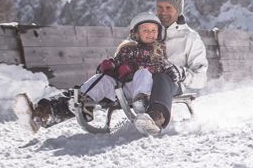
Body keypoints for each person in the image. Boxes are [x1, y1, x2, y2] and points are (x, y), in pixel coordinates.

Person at [19, 12, 176, 134]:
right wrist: (110, 66)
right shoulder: (127, 48)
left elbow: (164, 68)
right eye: (145, 30)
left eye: (154, 30)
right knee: (102, 80)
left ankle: (141, 102)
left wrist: (165, 70)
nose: (150, 33)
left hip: (143, 89)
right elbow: (117, 62)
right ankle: (74, 106)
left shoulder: (158, 51)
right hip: (123, 89)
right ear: (135, 33)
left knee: (143, 73)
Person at [147, 0, 208, 130]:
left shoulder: (190, 38)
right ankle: (88, 103)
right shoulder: (148, 31)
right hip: (143, 79)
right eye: (160, 7)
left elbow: (201, 79)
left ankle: (157, 116)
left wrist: (181, 73)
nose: (163, 12)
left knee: (161, 77)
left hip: (173, 83)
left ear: (178, 10)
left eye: (168, 7)